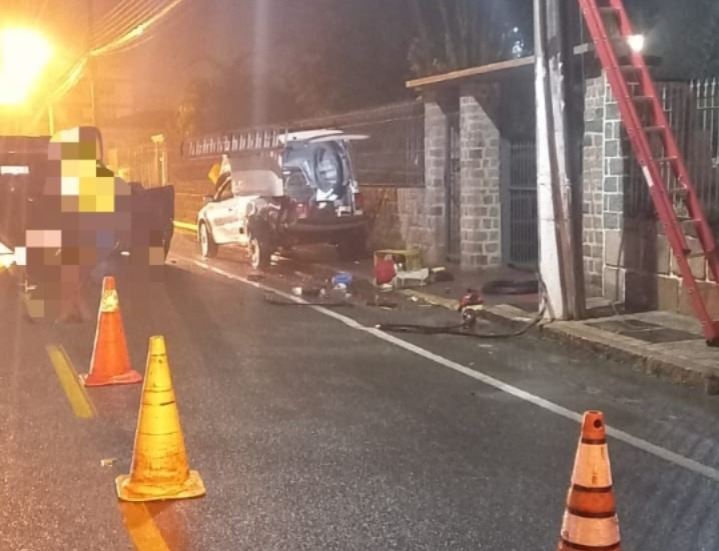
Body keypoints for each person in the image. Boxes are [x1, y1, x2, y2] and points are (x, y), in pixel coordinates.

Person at [22, 126, 132, 323]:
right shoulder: (81, 178)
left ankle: (61, 309)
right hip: (98, 243)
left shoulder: (97, 179)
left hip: (106, 248)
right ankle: (75, 309)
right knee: (66, 259)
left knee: (67, 263)